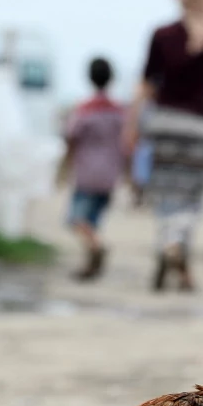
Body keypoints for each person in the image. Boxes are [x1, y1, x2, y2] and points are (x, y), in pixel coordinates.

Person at [124, 0, 203, 292]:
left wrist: (132, 124)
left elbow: (144, 85)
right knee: (191, 195)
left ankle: (168, 246)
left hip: (165, 123)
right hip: (198, 125)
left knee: (164, 192)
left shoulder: (161, 35)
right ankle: (176, 243)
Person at [62, 57, 125, 281]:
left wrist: (65, 165)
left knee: (76, 219)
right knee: (94, 221)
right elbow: (127, 142)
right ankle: (90, 265)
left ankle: (98, 247)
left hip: (87, 173)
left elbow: (71, 136)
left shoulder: (84, 110)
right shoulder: (119, 111)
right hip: (110, 174)